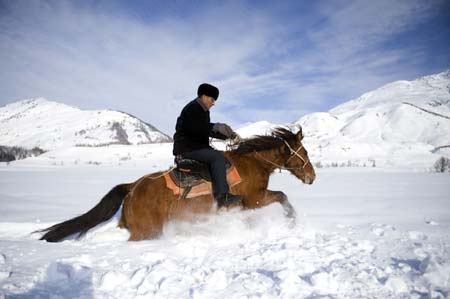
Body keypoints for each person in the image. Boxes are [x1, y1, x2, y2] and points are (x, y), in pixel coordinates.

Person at [173, 83, 243, 207]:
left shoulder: (203, 111)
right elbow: (196, 128)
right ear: (204, 97)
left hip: (196, 147)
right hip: (187, 149)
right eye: (212, 99)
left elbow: (204, 130)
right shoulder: (192, 108)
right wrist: (216, 127)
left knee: (220, 156)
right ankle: (222, 196)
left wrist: (226, 135)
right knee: (217, 158)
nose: (213, 103)